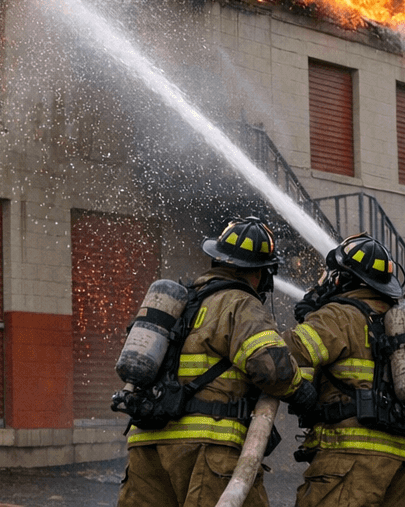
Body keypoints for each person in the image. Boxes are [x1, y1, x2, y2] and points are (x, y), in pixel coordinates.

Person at [118, 216, 318, 507]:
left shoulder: (181, 302)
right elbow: (271, 368)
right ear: (260, 274)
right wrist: (302, 392)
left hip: (146, 447)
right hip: (206, 448)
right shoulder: (240, 303)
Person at [286, 234, 405, 507]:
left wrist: (308, 318)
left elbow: (284, 357)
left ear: (343, 278)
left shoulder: (337, 316)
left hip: (351, 461)